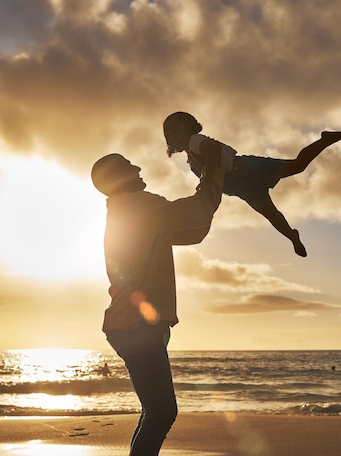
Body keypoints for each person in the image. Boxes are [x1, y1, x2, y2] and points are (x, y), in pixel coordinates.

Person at [91, 153, 224, 455]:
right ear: (118, 177)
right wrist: (212, 172)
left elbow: (195, 231)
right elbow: (198, 214)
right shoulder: (139, 206)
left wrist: (210, 181)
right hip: (136, 326)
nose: (137, 167)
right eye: (129, 166)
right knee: (162, 412)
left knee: (154, 411)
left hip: (131, 326)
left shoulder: (126, 211)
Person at [163, 111, 341, 257]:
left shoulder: (195, 141)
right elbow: (215, 183)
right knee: (272, 215)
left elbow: (213, 151)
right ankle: (293, 236)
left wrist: (207, 177)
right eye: (168, 134)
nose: (172, 137)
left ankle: (325, 140)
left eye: (175, 130)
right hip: (243, 188)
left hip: (247, 169)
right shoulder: (191, 160)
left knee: (298, 166)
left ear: (189, 128)